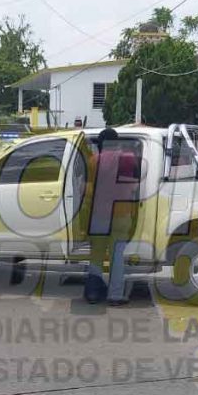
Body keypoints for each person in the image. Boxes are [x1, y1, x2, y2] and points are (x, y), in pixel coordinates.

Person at [84, 128, 140, 306]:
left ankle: (93, 293)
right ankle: (115, 295)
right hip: (122, 214)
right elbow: (135, 186)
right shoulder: (129, 159)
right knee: (117, 256)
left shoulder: (93, 160)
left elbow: (87, 188)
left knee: (97, 254)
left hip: (99, 214)